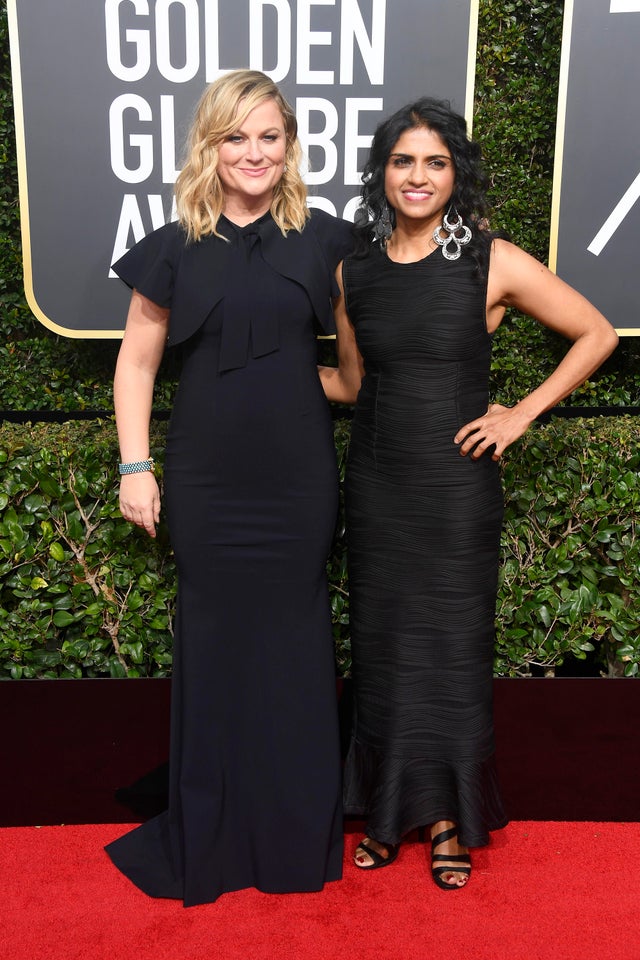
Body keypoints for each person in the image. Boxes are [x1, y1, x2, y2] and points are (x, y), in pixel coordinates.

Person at [319, 97, 618, 890]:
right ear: (381, 173)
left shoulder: (491, 260)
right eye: (403, 161)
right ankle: (385, 811)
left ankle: (449, 819)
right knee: (381, 649)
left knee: (449, 653)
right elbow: (349, 383)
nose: (418, 177)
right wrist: (245, 372)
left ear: (457, 174)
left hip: (455, 491)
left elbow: (598, 333)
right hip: (377, 485)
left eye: (435, 162)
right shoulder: (356, 270)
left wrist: (519, 414)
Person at [105, 70, 354, 906]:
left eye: (269, 137)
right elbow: (137, 360)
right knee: (214, 647)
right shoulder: (175, 243)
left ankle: (291, 836)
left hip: (298, 481)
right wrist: (135, 465)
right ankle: (209, 836)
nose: (254, 152)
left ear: (289, 147)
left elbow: (376, 352)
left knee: (294, 647)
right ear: (209, 147)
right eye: (235, 137)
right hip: (208, 480)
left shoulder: (328, 241)